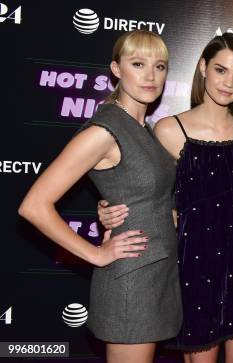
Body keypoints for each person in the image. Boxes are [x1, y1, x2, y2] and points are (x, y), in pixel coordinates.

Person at [98, 33, 233, 363]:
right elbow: (146, 190)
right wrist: (109, 207)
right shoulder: (169, 130)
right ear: (203, 67)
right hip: (196, 273)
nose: (228, 83)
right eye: (221, 70)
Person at [18, 30, 181, 363]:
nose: (150, 75)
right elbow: (34, 206)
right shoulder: (104, 131)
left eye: (160, 66)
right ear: (116, 69)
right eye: (138, 64)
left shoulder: (143, 128)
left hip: (156, 275)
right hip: (131, 282)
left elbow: (139, 191)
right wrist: (95, 254)